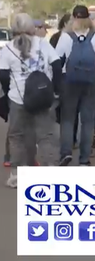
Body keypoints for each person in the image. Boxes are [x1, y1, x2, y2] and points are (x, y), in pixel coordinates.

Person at [1, 14, 62, 188]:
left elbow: (3, 75)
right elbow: (57, 66)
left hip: (18, 98)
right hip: (43, 96)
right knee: (46, 134)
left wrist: (9, 93)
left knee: (17, 136)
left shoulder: (8, 49)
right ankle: (50, 170)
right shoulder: (43, 44)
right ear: (32, 28)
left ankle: (17, 175)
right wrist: (56, 89)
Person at [55, 5, 95, 166]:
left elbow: (58, 62)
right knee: (88, 120)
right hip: (93, 80)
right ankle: (85, 158)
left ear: (73, 18)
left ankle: (65, 153)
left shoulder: (65, 37)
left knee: (67, 118)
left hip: (69, 81)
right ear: (88, 18)